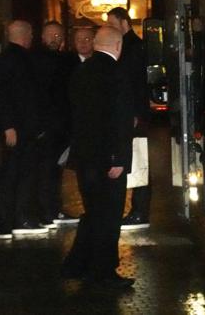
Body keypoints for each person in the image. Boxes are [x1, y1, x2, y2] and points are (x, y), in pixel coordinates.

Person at [61, 26, 134, 288]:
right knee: (108, 216)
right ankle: (102, 271)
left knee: (93, 212)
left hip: (85, 158)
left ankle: (76, 264)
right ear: (118, 46)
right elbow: (119, 120)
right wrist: (118, 158)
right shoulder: (116, 73)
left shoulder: (81, 71)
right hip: (107, 159)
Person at [0, 20, 49, 238]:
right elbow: (4, 95)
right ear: (26, 34)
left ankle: (13, 219)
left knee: (16, 174)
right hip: (20, 129)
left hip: (21, 127)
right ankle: (17, 218)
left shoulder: (9, 58)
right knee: (19, 174)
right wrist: (9, 125)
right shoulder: (16, 60)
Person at [106, 7, 151, 230]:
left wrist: (134, 113)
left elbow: (135, 85)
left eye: (113, 24)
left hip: (134, 115)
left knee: (139, 161)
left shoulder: (133, 48)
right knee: (135, 159)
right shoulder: (133, 46)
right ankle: (137, 210)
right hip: (133, 113)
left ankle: (140, 210)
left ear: (124, 22)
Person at [33, 21, 79, 228]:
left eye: (59, 36)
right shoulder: (39, 60)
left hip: (59, 126)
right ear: (42, 36)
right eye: (52, 35)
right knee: (46, 170)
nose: (56, 39)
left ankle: (51, 209)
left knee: (54, 170)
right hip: (47, 126)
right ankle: (46, 211)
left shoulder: (63, 60)